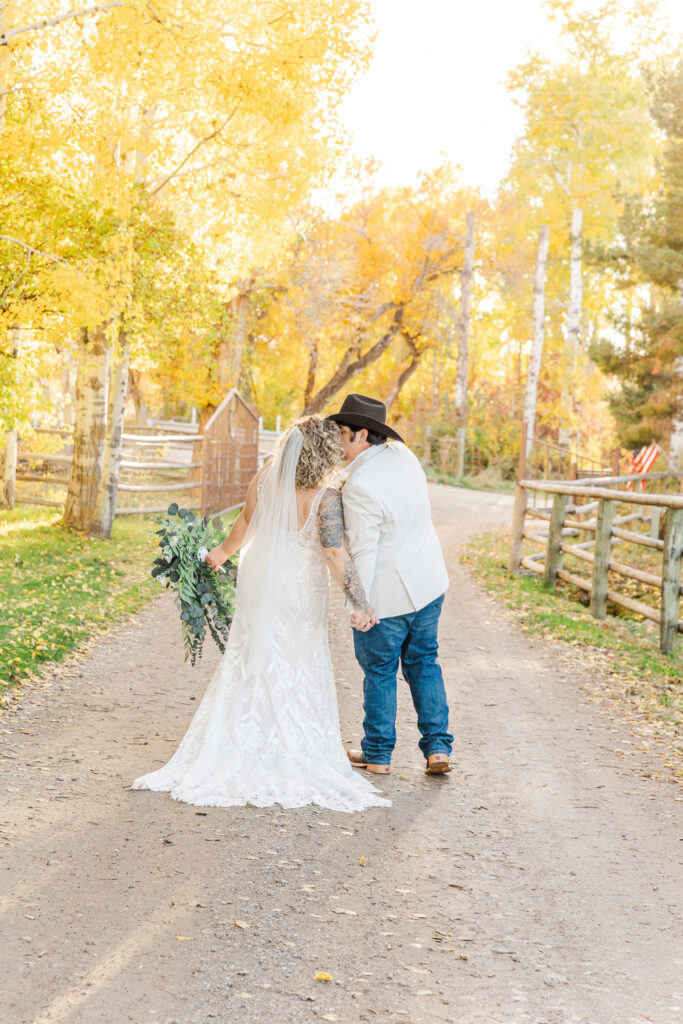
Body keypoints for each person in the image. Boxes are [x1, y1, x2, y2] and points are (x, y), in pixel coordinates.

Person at [132, 415, 389, 813]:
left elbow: (247, 520)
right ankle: (291, 743)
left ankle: (241, 736)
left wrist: (220, 554)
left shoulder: (266, 477)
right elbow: (334, 553)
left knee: (253, 653)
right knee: (298, 658)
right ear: (323, 454)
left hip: (259, 581)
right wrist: (361, 602)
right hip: (299, 590)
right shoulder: (325, 498)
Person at [328, 393, 453, 776]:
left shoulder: (360, 483)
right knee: (424, 663)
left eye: (342, 433)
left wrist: (359, 605)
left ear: (362, 435)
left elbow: (364, 551)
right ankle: (437, 749)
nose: (337, 440)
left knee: (380, 672)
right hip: (429, 583)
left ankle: (378, 755)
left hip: (387, 598)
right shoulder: (405, 457)